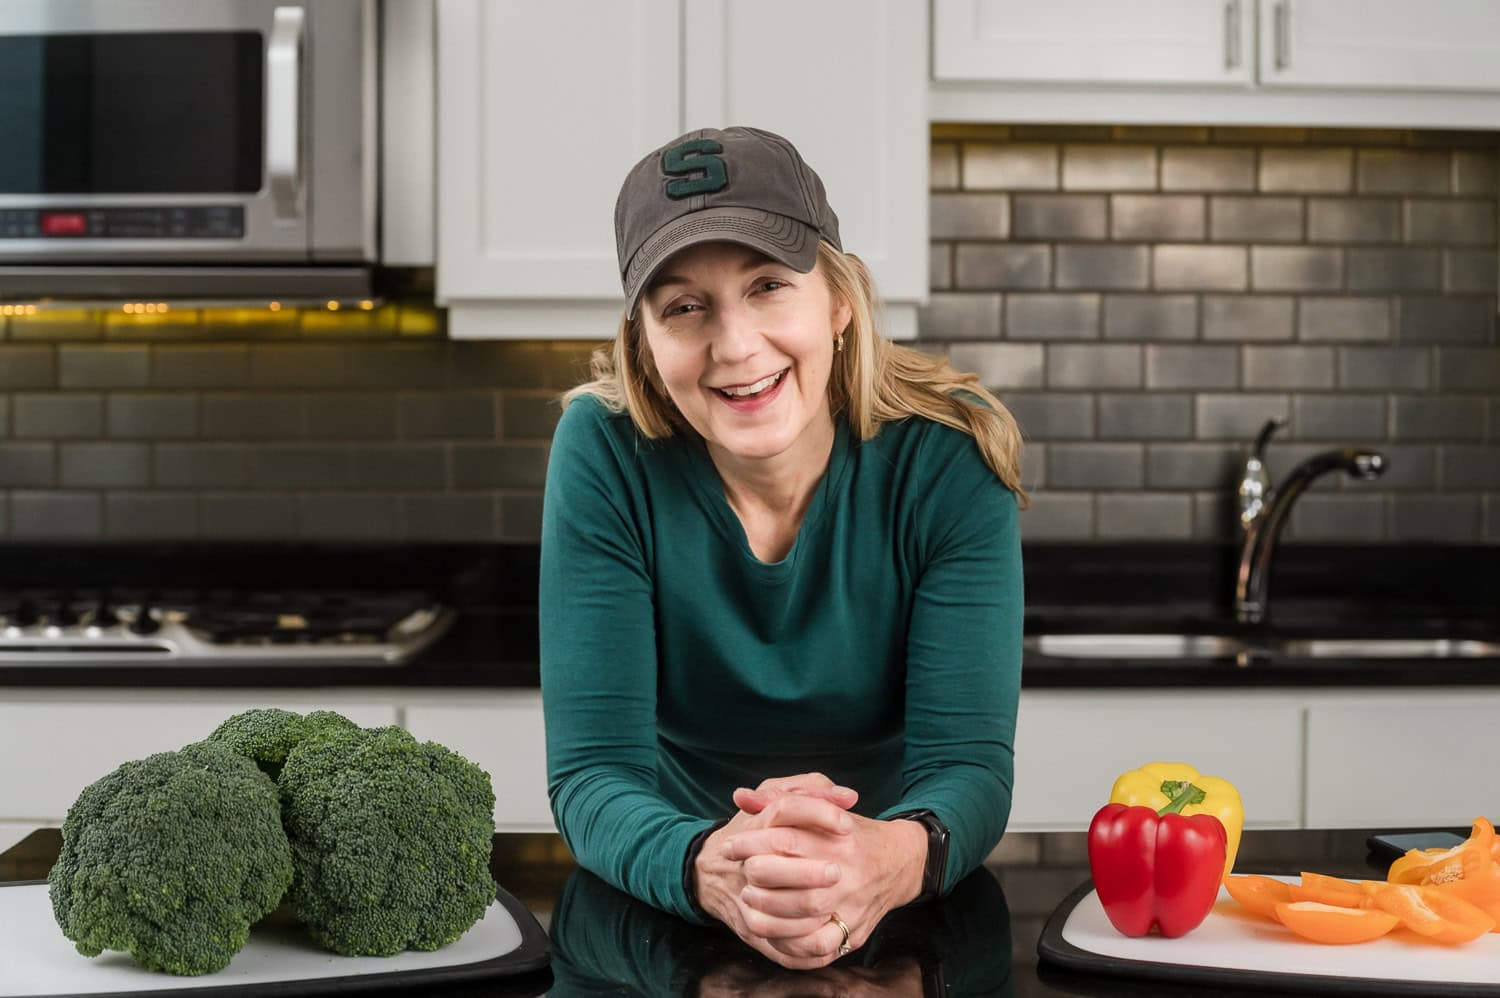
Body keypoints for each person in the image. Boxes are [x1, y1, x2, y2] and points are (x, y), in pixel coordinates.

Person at [539, 125, 1026, 971]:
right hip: (677, 882)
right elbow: (593, 774)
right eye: (684, 306)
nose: (734, 345)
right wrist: (714, 867)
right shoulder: (602, 448)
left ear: (839, 302)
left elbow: (969, 767)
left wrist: (883, 857)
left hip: (893, 883)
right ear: (645, 345)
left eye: (768, 285)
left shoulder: (949, 454)